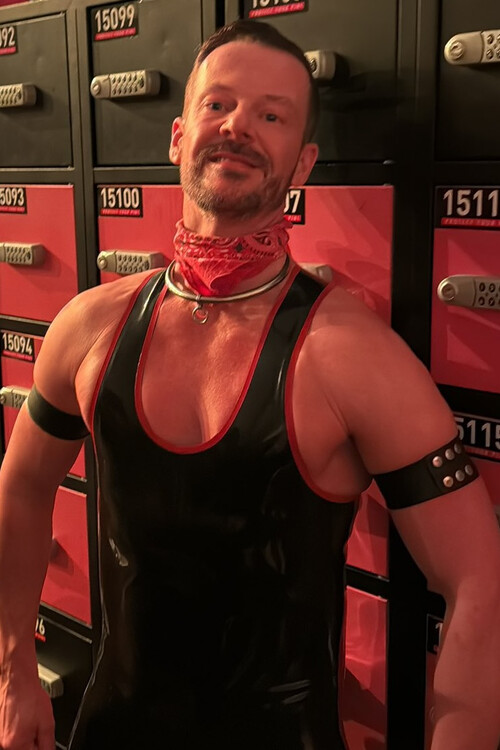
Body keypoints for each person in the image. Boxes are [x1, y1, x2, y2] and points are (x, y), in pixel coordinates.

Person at [0, 18, 499, 750]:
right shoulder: (89, 325)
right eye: (218, 104)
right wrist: (14, 669)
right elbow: (20, 485)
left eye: (271, 116)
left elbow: (479, 577)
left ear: (302, 164)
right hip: (111, 729)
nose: (237, 126)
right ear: (178, 137)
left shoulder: (352, 356)